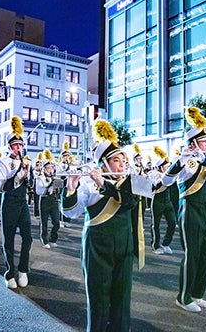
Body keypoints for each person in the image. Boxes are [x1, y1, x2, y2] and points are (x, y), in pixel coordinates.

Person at [62, 119, 139, 331]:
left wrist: (104, 184)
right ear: (103, 164)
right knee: (99, 301)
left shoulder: (128, 183)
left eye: (123, 160)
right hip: (97, 249)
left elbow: (129, 202)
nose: (122, 164)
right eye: (116, 161)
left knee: (122, 300)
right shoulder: (88, 184)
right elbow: (71, 213)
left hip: (124, 248)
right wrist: (70, 189)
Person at [162, 107, 206, 313]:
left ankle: (197, 293)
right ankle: (183, 296)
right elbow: (166, 180)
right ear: (194, 142)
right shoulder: (186, 160)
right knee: (193, 254)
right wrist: (179, 161)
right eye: (204, 142)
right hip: (191, 209)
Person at [0, 116, 32, 289]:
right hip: (9, 202)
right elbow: (0, 187)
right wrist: (18, 173)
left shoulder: (27, 162)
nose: (18, 148)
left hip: (22, 202)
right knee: (8, 240)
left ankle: (23, 269)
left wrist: (28, 175)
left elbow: (30, 184)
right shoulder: (3, 162)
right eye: (15, 145)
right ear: (10, 146)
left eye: (20, 145)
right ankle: (10, 272)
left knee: (28, 238)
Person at [148, 146, 176, 255]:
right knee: (156, 224)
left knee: (172, 223)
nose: (168, 168)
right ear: (160, 167)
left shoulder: (169, 174)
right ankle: (155, 246)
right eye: (166, 166)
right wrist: (164, 177)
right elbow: (156, 185)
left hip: (167, 200)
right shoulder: (153, 173)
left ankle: (165, 243)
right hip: (157, 200)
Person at [35, 149, 63, 249]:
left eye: (52, 168)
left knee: (57, 222)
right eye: (48, 168)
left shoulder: (55, 176)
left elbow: (60, 187)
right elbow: (38, 191)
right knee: (44, 222)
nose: (51, 170)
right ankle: (44, 240)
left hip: (54, 201)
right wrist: (49, 185)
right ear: (44, 169)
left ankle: (53, 239)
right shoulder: (40, 178)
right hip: (44, 200)